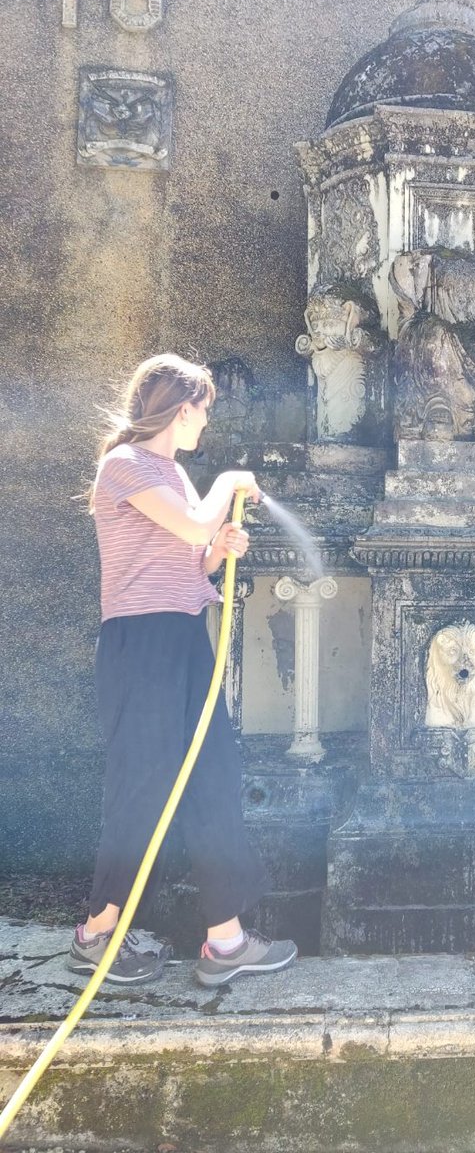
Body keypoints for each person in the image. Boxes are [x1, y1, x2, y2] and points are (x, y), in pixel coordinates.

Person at [69, 353, 297, 988]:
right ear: (182, 407)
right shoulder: (123, 466)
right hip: (139, 644)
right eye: (205, 411)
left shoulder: (170, 473)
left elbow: (183, 557)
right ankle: (96, 931)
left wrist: (213, 552)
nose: (206, 424)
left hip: (183, 636)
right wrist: (225, 488)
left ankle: (225, 940)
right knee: (141, 785)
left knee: (212, 774)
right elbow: (192, 523)